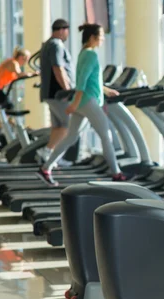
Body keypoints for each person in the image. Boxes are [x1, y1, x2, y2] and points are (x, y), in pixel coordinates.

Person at [38, 23, 126, 186]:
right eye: (100, 37)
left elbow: (92, 80)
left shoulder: (84, 54)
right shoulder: (90, 55)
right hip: (86, 102)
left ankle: (46, 168)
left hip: (84, 101)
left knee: (70, 137)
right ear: (92, 38)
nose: (102, 40)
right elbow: (82, 83)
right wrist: (74, 104)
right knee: (106, 136)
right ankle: (117, 173)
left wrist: (106, 91)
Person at [37, 18, 75, 164]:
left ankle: (50, 156)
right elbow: (58, 68)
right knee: (68, 127)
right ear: (61, 30)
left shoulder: (48, 44)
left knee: (58, 126)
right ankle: (50, 154)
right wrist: (67, 90)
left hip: (50, 93)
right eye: (67, 31)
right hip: (59, 94)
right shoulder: (56, 45)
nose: (67, 35)